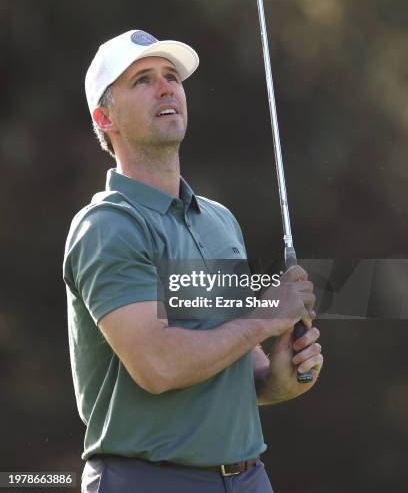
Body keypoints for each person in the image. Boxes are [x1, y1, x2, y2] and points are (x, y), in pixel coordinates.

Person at [63, 29, 323, 493]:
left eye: (171, 77)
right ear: (105, 118)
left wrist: (276, 378)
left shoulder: (218, 220)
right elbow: (159, 367)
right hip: (146, 480)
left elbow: (227, 359)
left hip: (247, 476)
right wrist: (266, 318)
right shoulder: (108, 226)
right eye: (142, 80)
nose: (167, 87)